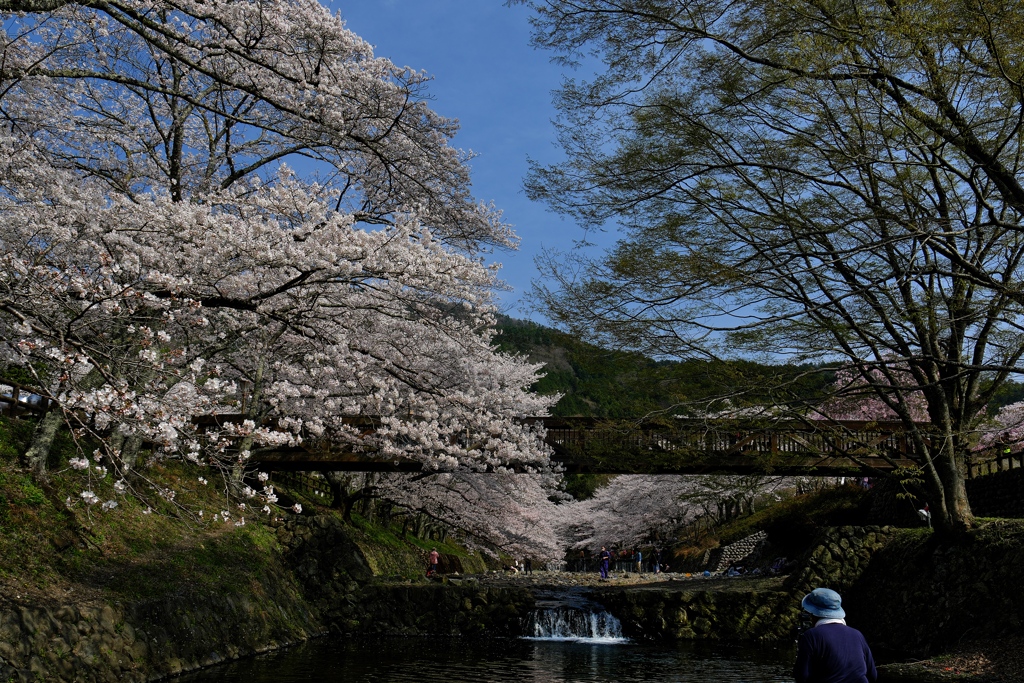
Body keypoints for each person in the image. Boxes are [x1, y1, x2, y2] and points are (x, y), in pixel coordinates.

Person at [794, 587, 877, 683]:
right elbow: (873, 675)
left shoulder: (811, 636)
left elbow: (802, 676)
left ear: (812, 613)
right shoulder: (857, 634)